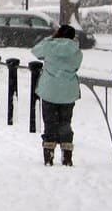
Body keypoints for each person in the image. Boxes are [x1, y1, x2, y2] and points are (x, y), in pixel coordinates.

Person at [32, 25, 83, 166]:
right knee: (66, 123)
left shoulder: (49, 46)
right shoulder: (76, 51)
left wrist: (51, 38)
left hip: (49, 90)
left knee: (49, 123)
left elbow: (35, 51)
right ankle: (67, 156)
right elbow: (76, 66)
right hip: (68, 92)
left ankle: (48, 155)